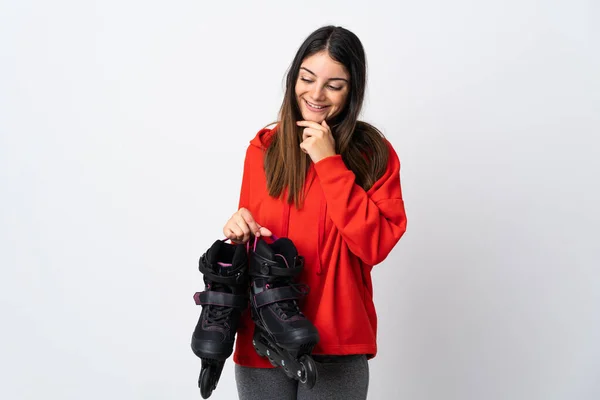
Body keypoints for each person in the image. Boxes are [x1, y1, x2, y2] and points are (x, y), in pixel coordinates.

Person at [222, 25, 407, 400]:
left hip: (335, 340)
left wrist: (329, 163)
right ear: (294, 79)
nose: (316, 94)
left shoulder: (374, 155)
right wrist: (237, 228)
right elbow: (257, 243)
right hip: (264, 337)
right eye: (307, 78)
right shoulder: (263, 150)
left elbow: (375, 245)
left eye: (334, 85)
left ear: (352, 89)